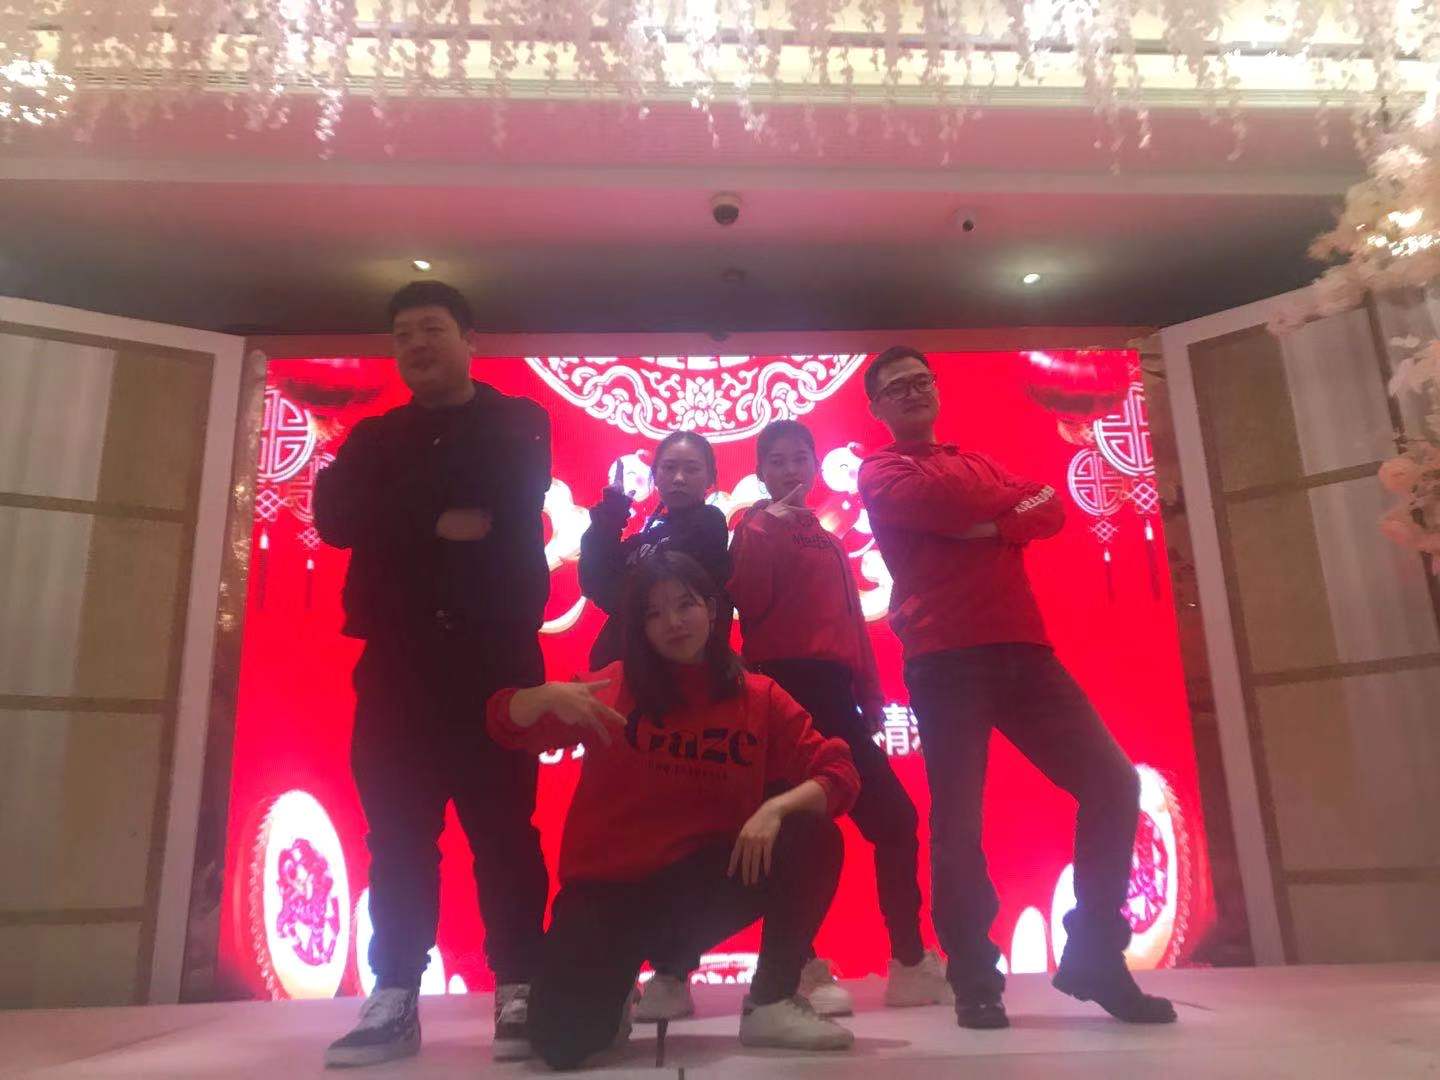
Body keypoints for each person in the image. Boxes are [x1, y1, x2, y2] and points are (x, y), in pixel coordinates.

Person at [857, 346, 1177, 1031]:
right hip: (946, 658)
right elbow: (948, 504)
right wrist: (1007, 510)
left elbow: (1050, 506)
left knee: (1113, 783)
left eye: (921, 381)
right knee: (959, 824)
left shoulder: (977, 460)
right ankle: (975, 980)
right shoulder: (882, 470)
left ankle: (1095, 953)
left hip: (1025, 649)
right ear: (877, 407)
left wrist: (997, 522)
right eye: (896, 388)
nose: (913, 392)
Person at [488, 552, 862, 1069]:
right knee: (559, 1046)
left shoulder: (757, 697)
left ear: (711, 609)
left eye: (685, 605)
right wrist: (543, 697)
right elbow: (503, 724)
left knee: (812, 835)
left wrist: (776, 807)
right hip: (607, 895)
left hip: (698, 889)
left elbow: (839, 770)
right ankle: (614, 989)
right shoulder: (612, 688)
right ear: (640, 628)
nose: (674, 622)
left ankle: (771, 1001)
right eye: (655, 613)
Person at [315, 281, 552, 1067]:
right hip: (398, 668)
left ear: (468, 338)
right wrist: (430, 518)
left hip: (496, 665)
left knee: (506, 833)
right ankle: (393, 996)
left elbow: (503, 491)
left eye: (432, 328)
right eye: (403, 334)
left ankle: (520, 986)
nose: (417, 344)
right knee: (397, 838)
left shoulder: (519, 421)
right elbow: (334, 517)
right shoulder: (374, 434)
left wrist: (391, 512)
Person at [717, 419, 949, 1017]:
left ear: (814, 465)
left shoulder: (829, 537)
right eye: (777, 460)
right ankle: (800, 966)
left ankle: (908, 961)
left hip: (837, 693)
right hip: (783, 690)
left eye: (799, 458)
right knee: (795, 834)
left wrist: (868, 694)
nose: (790, 470)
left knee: (894, 819)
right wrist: (767, 526)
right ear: (761, 471)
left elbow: (852, 626)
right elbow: (750, 603)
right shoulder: (752, 528)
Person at [578, 430, 731, 670]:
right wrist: (611, 515)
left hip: (667, 671)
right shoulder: (650, 534)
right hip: (625, 668)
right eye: (669, 468)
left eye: (691, 469)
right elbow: (593, 580)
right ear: (655, 476)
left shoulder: (709, 523)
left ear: (710, 478)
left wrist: (614, 589)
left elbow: (641, 597)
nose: (678, 478)